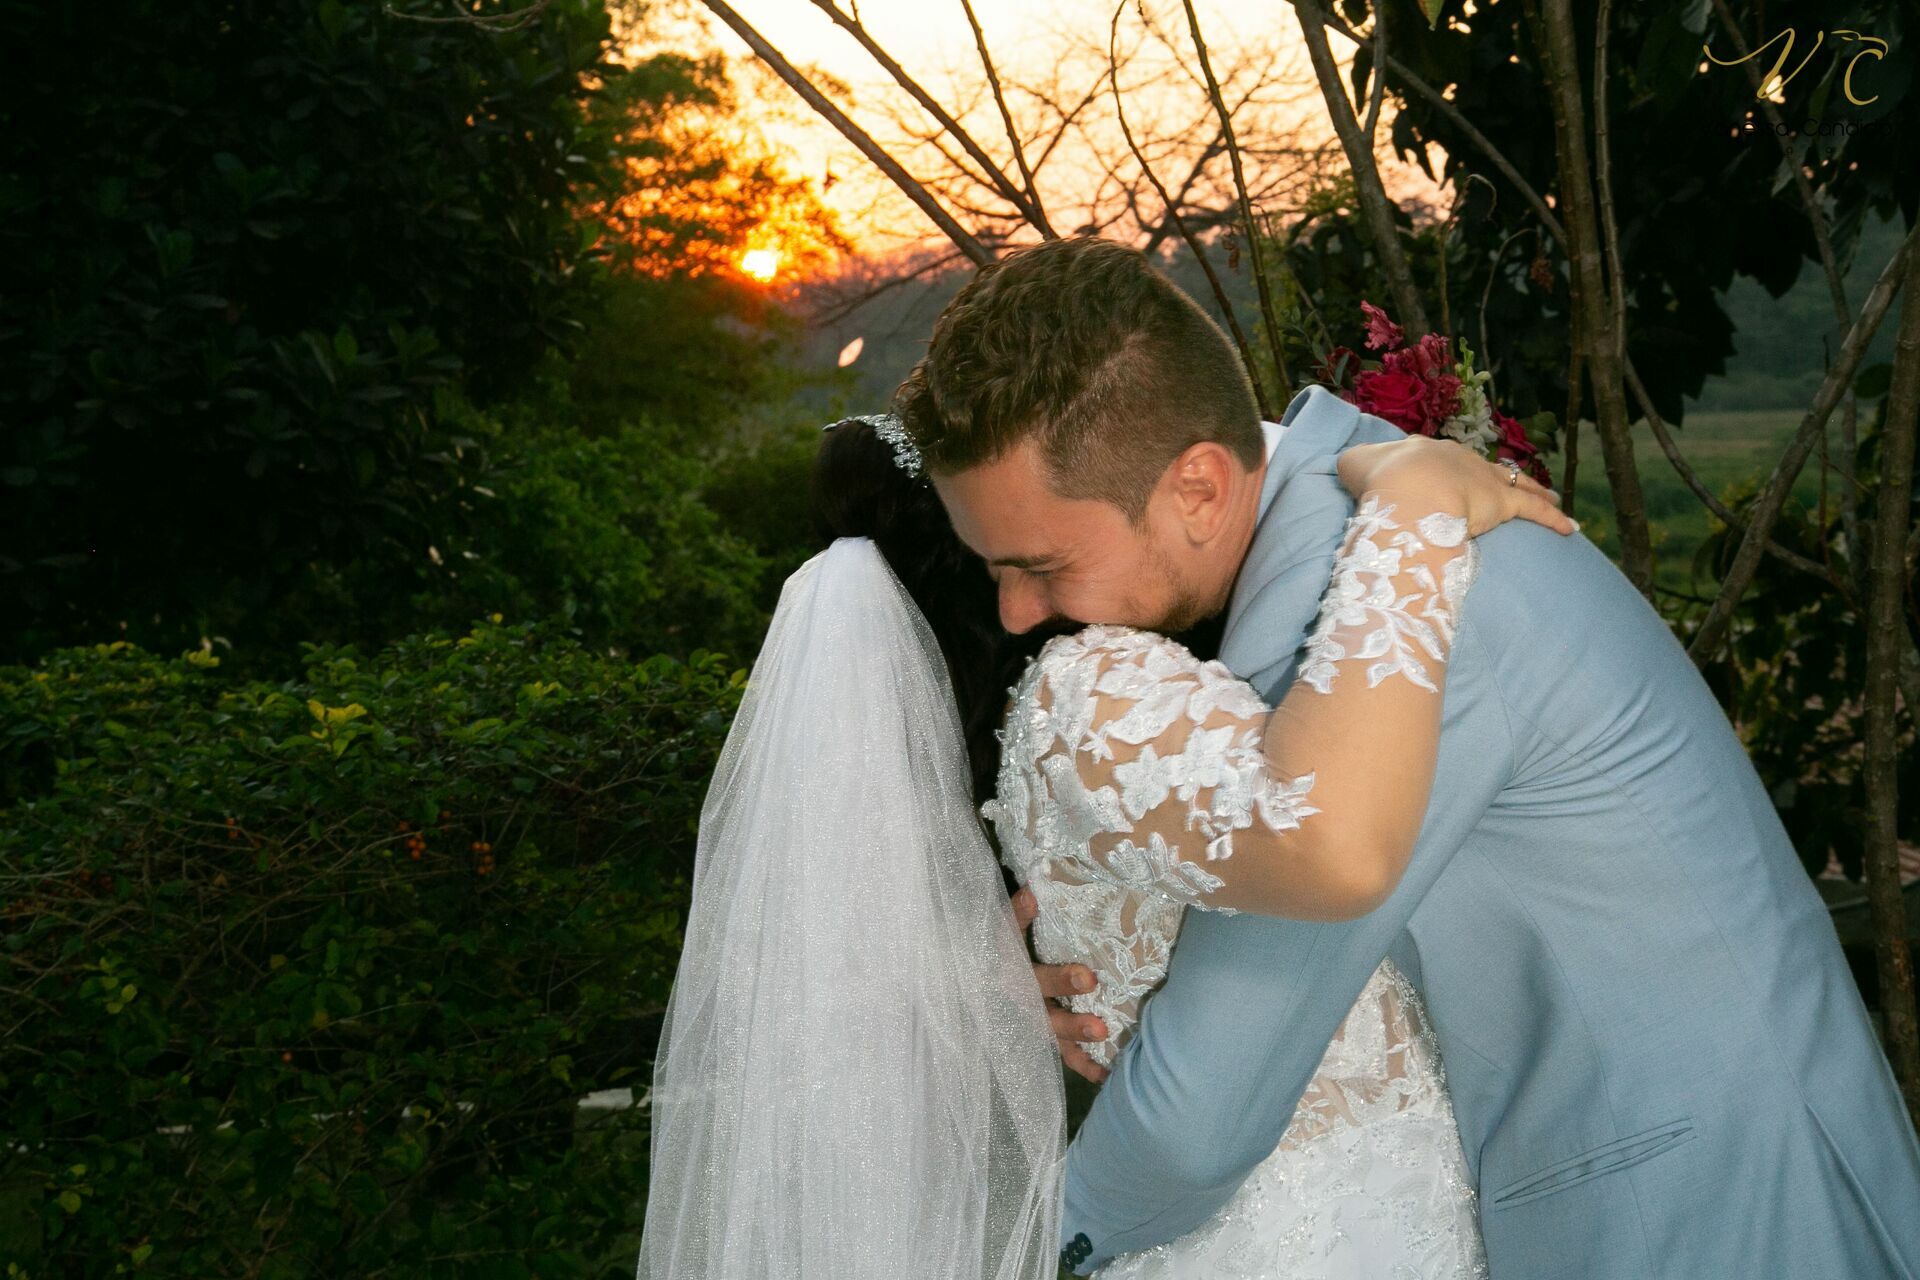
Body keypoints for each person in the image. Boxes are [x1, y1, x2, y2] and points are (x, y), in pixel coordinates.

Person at [898, 234, 1920, 1278]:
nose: (1018, 611)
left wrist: (1036, 1246)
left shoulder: (1368, 613)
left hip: (1709, 1208)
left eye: (1038, 564)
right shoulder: (1360, 535)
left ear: (1199, 488)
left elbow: (1211, 1096)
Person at [635, 403, 1565, 1279]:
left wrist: (977, 1000)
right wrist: (1416, 509)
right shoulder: (1090, 693)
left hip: (1216, 1225)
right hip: (1335, 1206)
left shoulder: (1018, 740)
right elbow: (1327, 811)